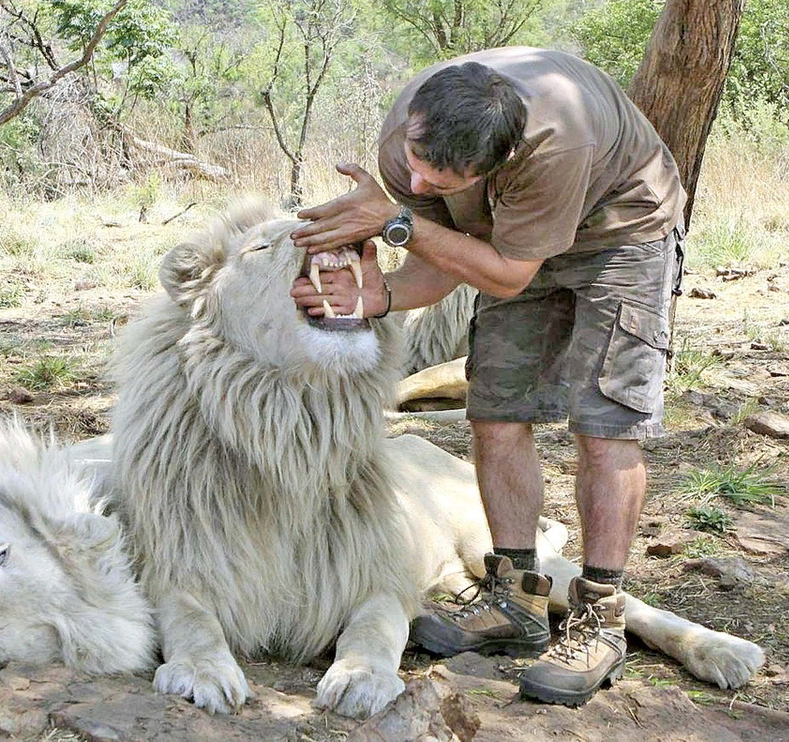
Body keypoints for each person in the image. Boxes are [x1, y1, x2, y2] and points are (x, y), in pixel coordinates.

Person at [289, 46, 685, 707]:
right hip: (511, 239)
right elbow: (440, 259)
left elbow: (503, 272)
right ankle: (517, 603)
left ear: (497, 164)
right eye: (414, 165)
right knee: (497, 410)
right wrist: (374, 297)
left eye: (439, 180)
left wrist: (394, 221)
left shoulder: (555, 146)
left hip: (621, 232)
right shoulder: (409, 137)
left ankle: (599, 620)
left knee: (605, 423)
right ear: (415, 122)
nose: (414, 183)